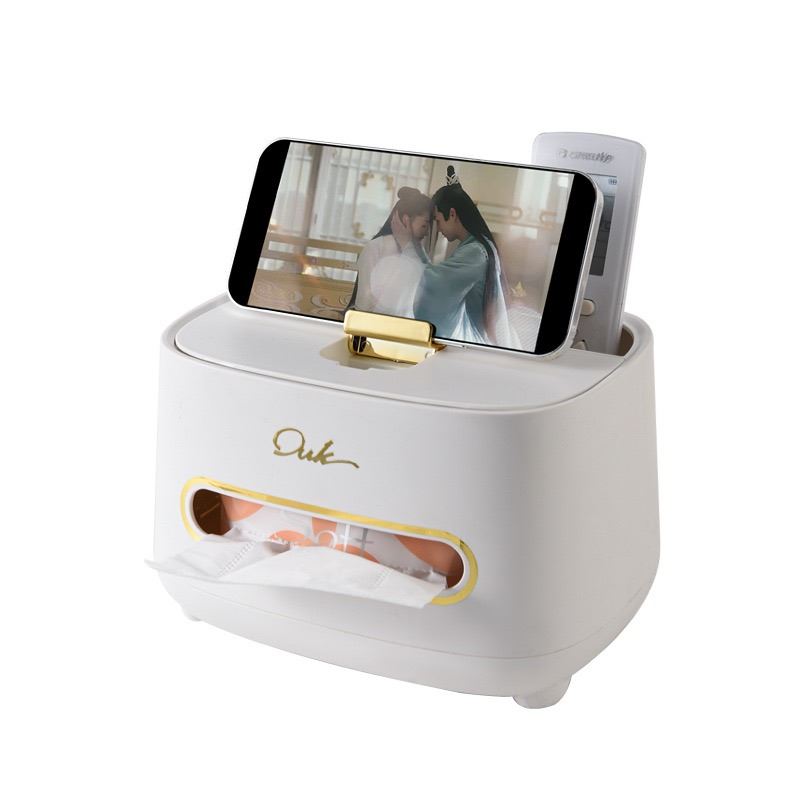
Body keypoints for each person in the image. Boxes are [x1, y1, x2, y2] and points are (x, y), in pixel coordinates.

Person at [395, 169, 519, 348]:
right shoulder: (478, 245)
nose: (438, 229)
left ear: (452, 214)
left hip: (476, 341)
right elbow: (437, 275)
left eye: (438, 221)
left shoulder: (475, 252)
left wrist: (408, 244)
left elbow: (434, 283)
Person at [352, 187, 433, 316]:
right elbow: (365, 301)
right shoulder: (376, 247)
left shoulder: (417, 251)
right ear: (406, 220)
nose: (427, 232)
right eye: (424, 225)